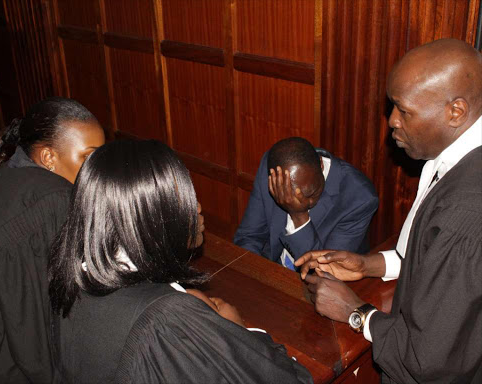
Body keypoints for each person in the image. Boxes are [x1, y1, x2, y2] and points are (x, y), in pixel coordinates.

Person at [49, 139, 313, 384]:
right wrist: (238, 329)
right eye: (182, 199)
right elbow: (288, 377)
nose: (197, 207)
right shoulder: (168, 320)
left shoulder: (75, 274)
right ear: (151, 218)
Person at [296, 38, 482, 383]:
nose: (392, 121)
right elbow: (438, 260)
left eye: (404, 110)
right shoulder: (450, 154)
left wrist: (355, 312)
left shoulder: (466, 211)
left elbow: (427, 361)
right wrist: (369, 264)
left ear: (455, 111)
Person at [0, 97, 105, 383]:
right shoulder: (50, 202)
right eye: (88, 157)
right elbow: (29, 324)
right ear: (48, 158)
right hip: (3, 362)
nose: (97, 168)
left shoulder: (12, 171)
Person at [234, 137, 378, 270]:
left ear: (320, 164)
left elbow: (325, 271)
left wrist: (298, 215)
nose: (302, 202)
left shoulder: (359, 198)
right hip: (270, 269)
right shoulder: (272, 168)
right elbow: (249, 237)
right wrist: (254, 275)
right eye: (287, 195)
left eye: (310, 194)